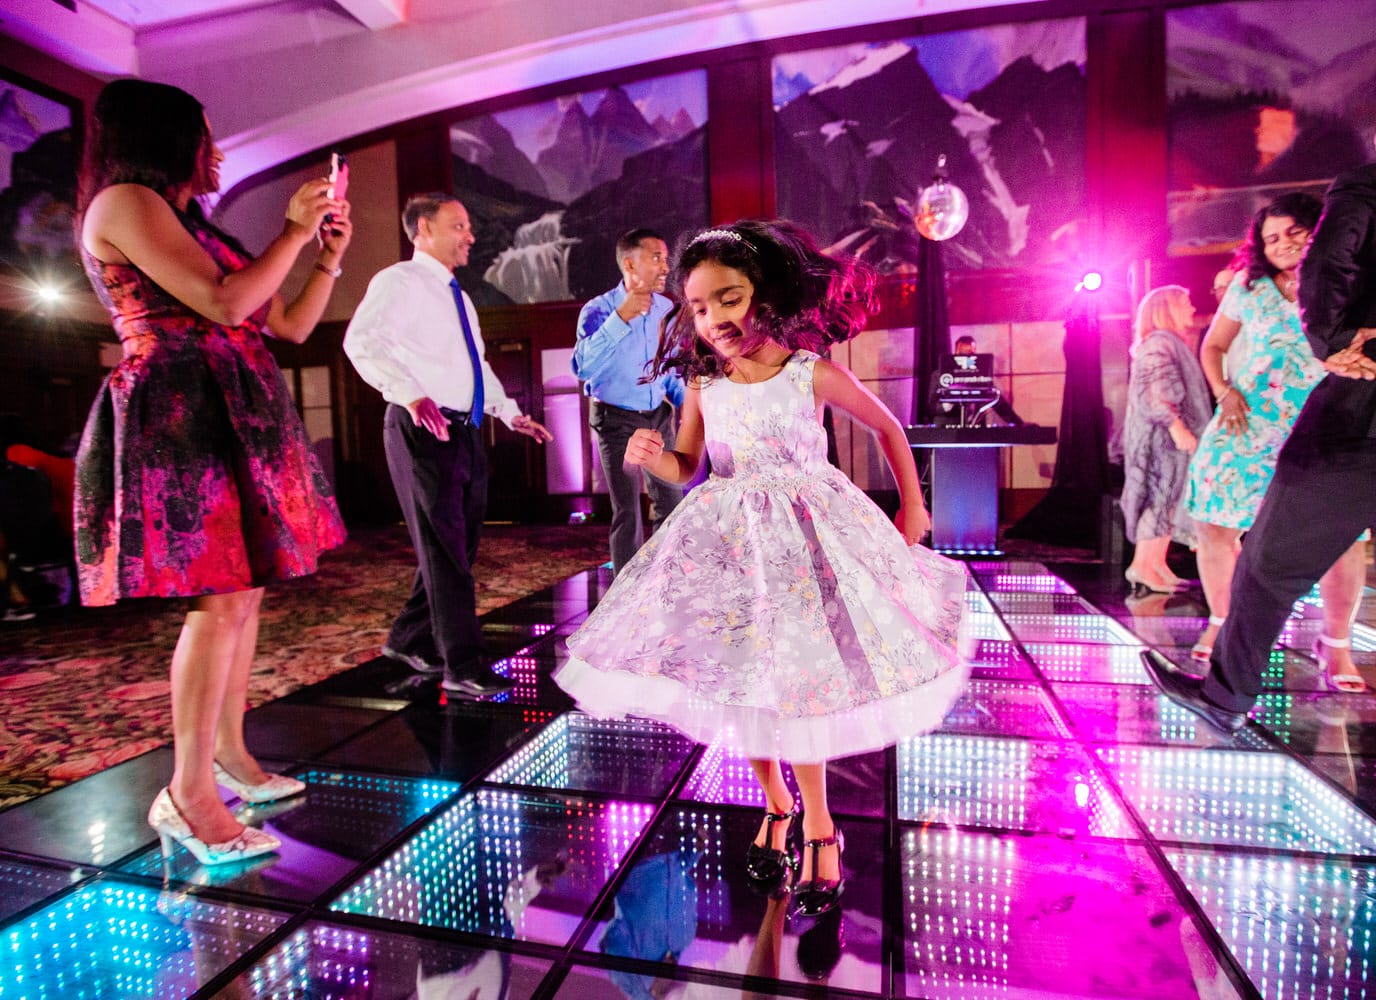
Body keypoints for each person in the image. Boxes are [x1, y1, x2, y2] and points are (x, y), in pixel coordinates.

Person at [555, 220, 970, 919]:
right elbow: (690, 468)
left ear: (765, 296)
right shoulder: (701, 385)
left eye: (730, 297)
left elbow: (889, 430)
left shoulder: (810, 371)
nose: (714, 318)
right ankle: (777, 803)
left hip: (807, 546)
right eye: (699, 306)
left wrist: (914, 512)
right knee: (742, 681)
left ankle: (818, 824)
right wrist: (656, 460)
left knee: (796, 682)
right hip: (729, 549)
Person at [1145, 51, 1376, 781]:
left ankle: (1226, 693)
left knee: (1271, 558)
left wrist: (1333, 341)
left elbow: (1327, 270)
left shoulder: (1374, 183)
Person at [73, 79, 349, 864]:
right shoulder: (123, 201)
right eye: (204, 134)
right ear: (165, 137)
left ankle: (228, 752)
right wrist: (291, 233)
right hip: (180, 412)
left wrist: (323, 256)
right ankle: (188, 793)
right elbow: (225, 304)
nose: (216, 150)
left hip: (229, 404)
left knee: (244, 593)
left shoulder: (184, 216)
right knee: (216, 602)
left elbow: (285, 322)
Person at [344, 193, 552, 698]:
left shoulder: (457, 295)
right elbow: (361, 341)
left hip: (464, 430)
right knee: (445, 552)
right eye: (458, 225)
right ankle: (462, 666)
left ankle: (406, 637)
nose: (470, 236)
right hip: (422, 429)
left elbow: (474, 365)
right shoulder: (399, 281)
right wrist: (412, 396)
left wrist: (509, 413)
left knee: (458, 548)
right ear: (422, 230)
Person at [1179, 192, 1368, 692]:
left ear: (1318, 230)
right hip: (1246, 424)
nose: (1282, 244)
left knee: (1343, 538)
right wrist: (1223, 391)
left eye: (1294, 232)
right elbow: (1214, 345)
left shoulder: (1348, 279)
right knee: (1214, 523)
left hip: (1324, 424)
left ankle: (1337, 643)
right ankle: (1223, 619)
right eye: (1271, 237)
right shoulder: (1249, 285)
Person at [573, 229, 685, 571]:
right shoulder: (599, 310)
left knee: (672, 500)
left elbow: (673, 370)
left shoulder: (667, 309)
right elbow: (583, 367)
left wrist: (697, 408)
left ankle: (670, 580)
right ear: (629, 264)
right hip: (615, 418)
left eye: (665, 259)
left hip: (658, 416)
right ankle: (627, 594)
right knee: (628, 510)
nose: (665, 267)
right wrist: (619, 319)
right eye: (656, 258)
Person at [1119, 285, 1212, 595]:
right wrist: (1176, 426)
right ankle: (1143, 566)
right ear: (1167, 308)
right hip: (1161, 438)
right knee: (1159, 499)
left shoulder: (1168, 343)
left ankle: (1155, 564)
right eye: (1184, 303)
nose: (1191, 308)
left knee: (1168, 501)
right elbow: (1155, 391)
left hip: (1169, 436)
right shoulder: (1159, 344)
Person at [928, 334, 1023, 428]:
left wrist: (1019, 424)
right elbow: (930, 407)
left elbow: (998, 403)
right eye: (963, 355)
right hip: (947, 432)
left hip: (975, 431)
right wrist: (944, 407)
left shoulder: (979, 376)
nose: (967, 359)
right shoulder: (940, 375)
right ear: (956, 353)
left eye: (971, 355)